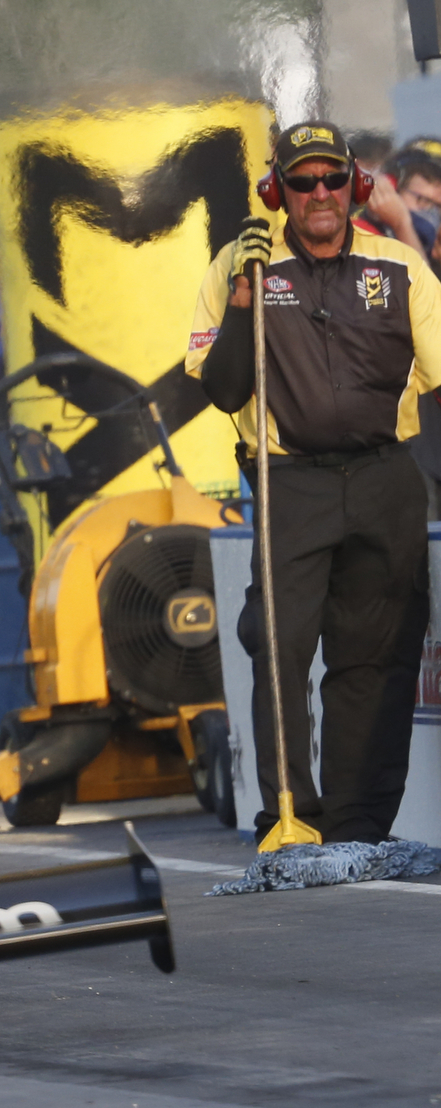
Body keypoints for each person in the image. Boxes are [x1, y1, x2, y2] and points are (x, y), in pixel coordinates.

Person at [186, 120, 441, 844]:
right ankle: (288, 817)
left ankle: (362, 824)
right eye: (302, 182)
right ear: (279, 191)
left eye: (333, 178)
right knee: (281, 645)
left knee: (378, 653)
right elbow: (225, 387)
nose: (320, 193)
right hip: (288, 480)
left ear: (357, 184)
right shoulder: (242, 267)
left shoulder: (399, 266)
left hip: (385, 476)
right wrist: (244, 297)